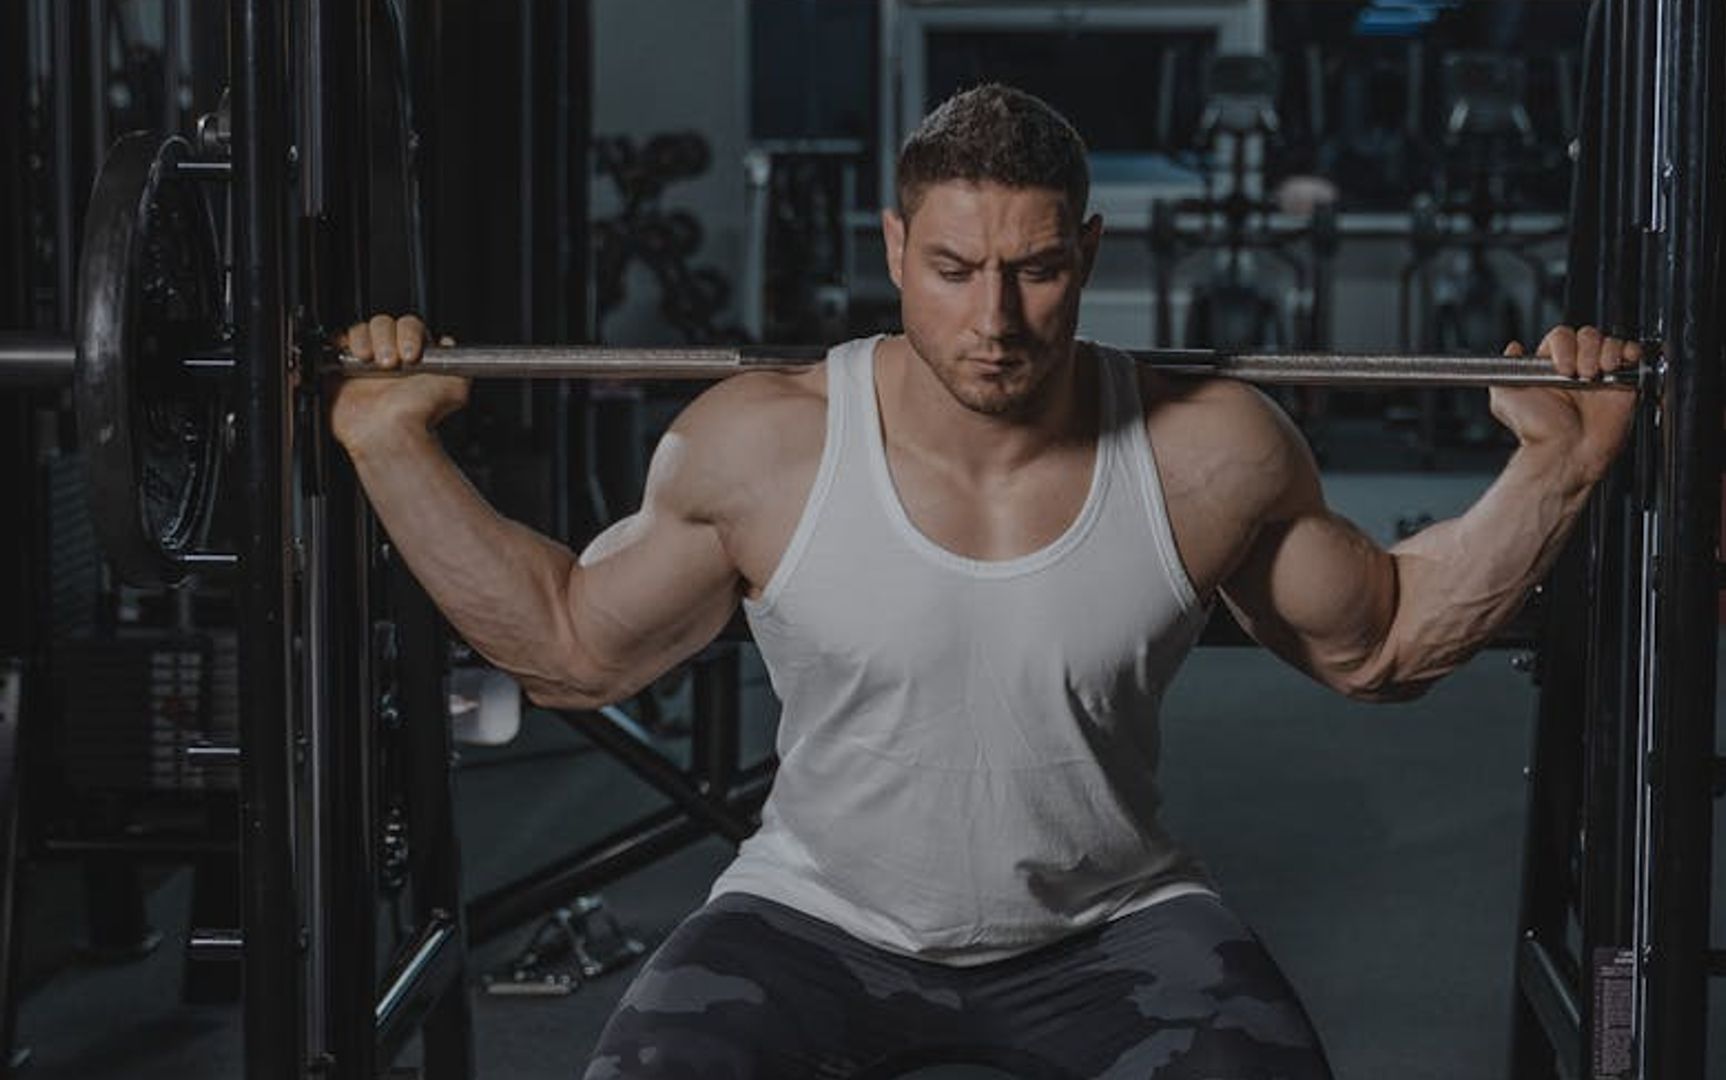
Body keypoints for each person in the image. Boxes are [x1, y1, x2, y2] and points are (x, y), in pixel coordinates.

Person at [331, 84, 1641, 1079]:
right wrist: (389, 445)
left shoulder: (1209, 451)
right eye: (954, 271)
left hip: (1113, 926)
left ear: (1091, 251)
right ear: (895, 247)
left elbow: (1383, 645)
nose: (995, 320)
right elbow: (572, 649)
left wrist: (1561, 468)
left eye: (1037, 269)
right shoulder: (764, 447)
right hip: (810, 920)